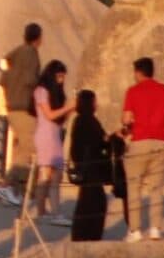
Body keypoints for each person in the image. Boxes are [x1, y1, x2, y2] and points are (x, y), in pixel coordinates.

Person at [122, 56, 164, 240]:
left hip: (139, 140)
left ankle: (135, 230)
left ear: (139, 72)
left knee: (134, 187)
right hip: (161, 142)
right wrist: (162, 120)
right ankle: (155, 228)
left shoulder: (133, 91)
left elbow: (126, 119)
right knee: (157, 188)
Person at [0, 23, 42, 207]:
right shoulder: (30, 54)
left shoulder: (14, 56)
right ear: (38, 38)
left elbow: (3, 79)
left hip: (11, 107)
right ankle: (9, 185)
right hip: (24, 107)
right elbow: (31, 79)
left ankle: (14, 190)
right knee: (33, 147)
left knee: (22, 149)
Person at [29, 59, 72, 222]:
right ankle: (48, 212)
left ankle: (47, 212)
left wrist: (70, 108)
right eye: (59, 76)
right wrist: (68, 107)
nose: (61, 80)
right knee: (47, 175)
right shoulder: (41, 91)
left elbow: (60, 118)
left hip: (54, 134)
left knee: (54, 175)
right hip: (46, 135)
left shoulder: (56, 93)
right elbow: (50, 115)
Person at [69, 89, 111, 241]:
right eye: (94, 101)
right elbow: (99, 141)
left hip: (85, 166)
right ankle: (88, 236)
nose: (96, 104)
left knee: (88, 201)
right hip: (91, 167)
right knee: (94, 202)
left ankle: (83, 235)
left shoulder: (80, 120)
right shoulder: (88, 121)